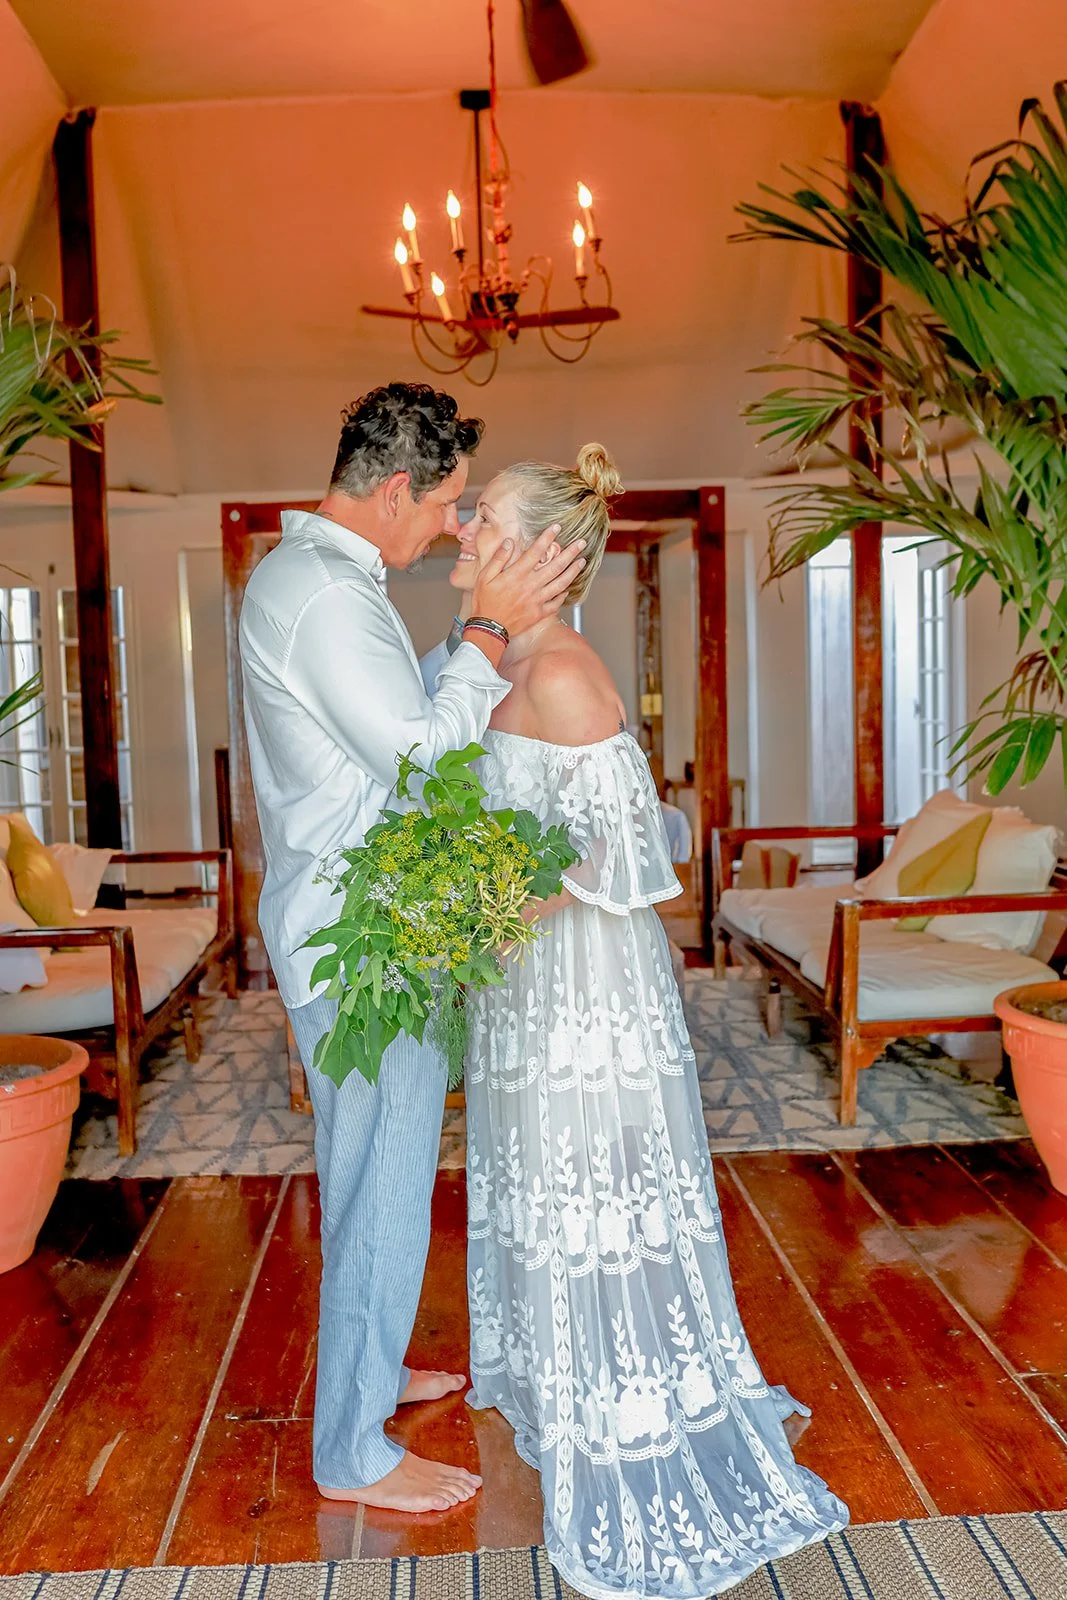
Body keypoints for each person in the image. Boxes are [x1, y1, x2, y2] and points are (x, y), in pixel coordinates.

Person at [447, 443, 849, 1598]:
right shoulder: (493, 660)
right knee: (532, 1173)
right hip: (519, 981)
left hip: (580, 986)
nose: (463, 531)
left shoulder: (567, 675)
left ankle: (622, 1402)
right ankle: (549, 1375)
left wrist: (497, 898)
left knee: (587, 1184)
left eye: (484, 518)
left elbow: (630, 852)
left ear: (543, 551)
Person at [238, 382, 585, 1514]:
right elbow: (422, 760)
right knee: (382, 1189)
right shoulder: (322, 595)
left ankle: (371, 1373)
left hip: (359, 922)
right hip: (364, 946)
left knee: (369, 1178)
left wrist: (467, 642)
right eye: (444, 503)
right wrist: (488, 630)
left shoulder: (326, 580)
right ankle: (351, 1449)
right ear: (394, 488)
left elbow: (394, 722)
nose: (450, 525)